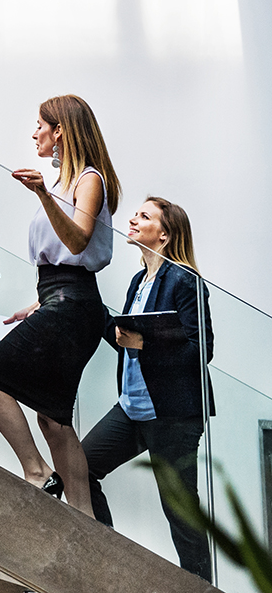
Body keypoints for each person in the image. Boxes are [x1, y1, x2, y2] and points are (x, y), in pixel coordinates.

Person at [0, 94, 120, 516]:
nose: (34, 132)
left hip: (75, 307)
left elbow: (77, 242)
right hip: (61, 300)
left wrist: (42, 195)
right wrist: (37, 303)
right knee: (54, 419)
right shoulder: (62, 183)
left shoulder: (87, 180)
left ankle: (37, 473)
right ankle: (85, 519)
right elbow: (61, 264)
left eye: (41, 124)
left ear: (61, 131)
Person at [82, 197, 213, 580]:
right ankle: (110, 559)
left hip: (172, 415)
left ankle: (201, 588)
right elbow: (127, 339)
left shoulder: (184, 279)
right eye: (136, 214)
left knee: (181, 513)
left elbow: (202, 348)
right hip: (132, 407)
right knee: (80, 468)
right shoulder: (139, 280)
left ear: (166, 234)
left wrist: (146, 344)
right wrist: (81, 302)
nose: (133, 219)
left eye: (144, 216)